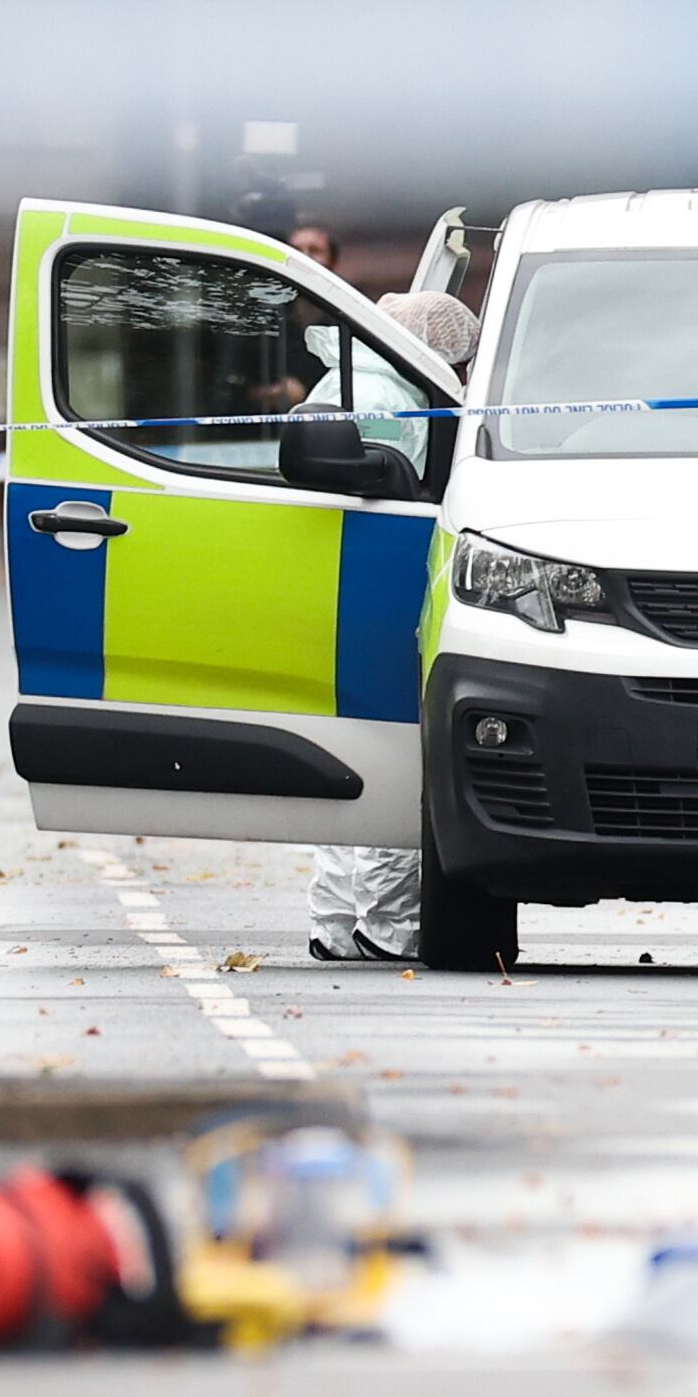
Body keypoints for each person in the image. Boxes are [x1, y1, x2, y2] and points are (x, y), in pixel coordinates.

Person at [307, 285, 480, 963]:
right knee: (392, 760)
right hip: (380, 590)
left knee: (350, 757)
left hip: (334, 589)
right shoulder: (396, 402)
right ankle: (387, 928)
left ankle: (333, 922)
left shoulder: (353, 380)